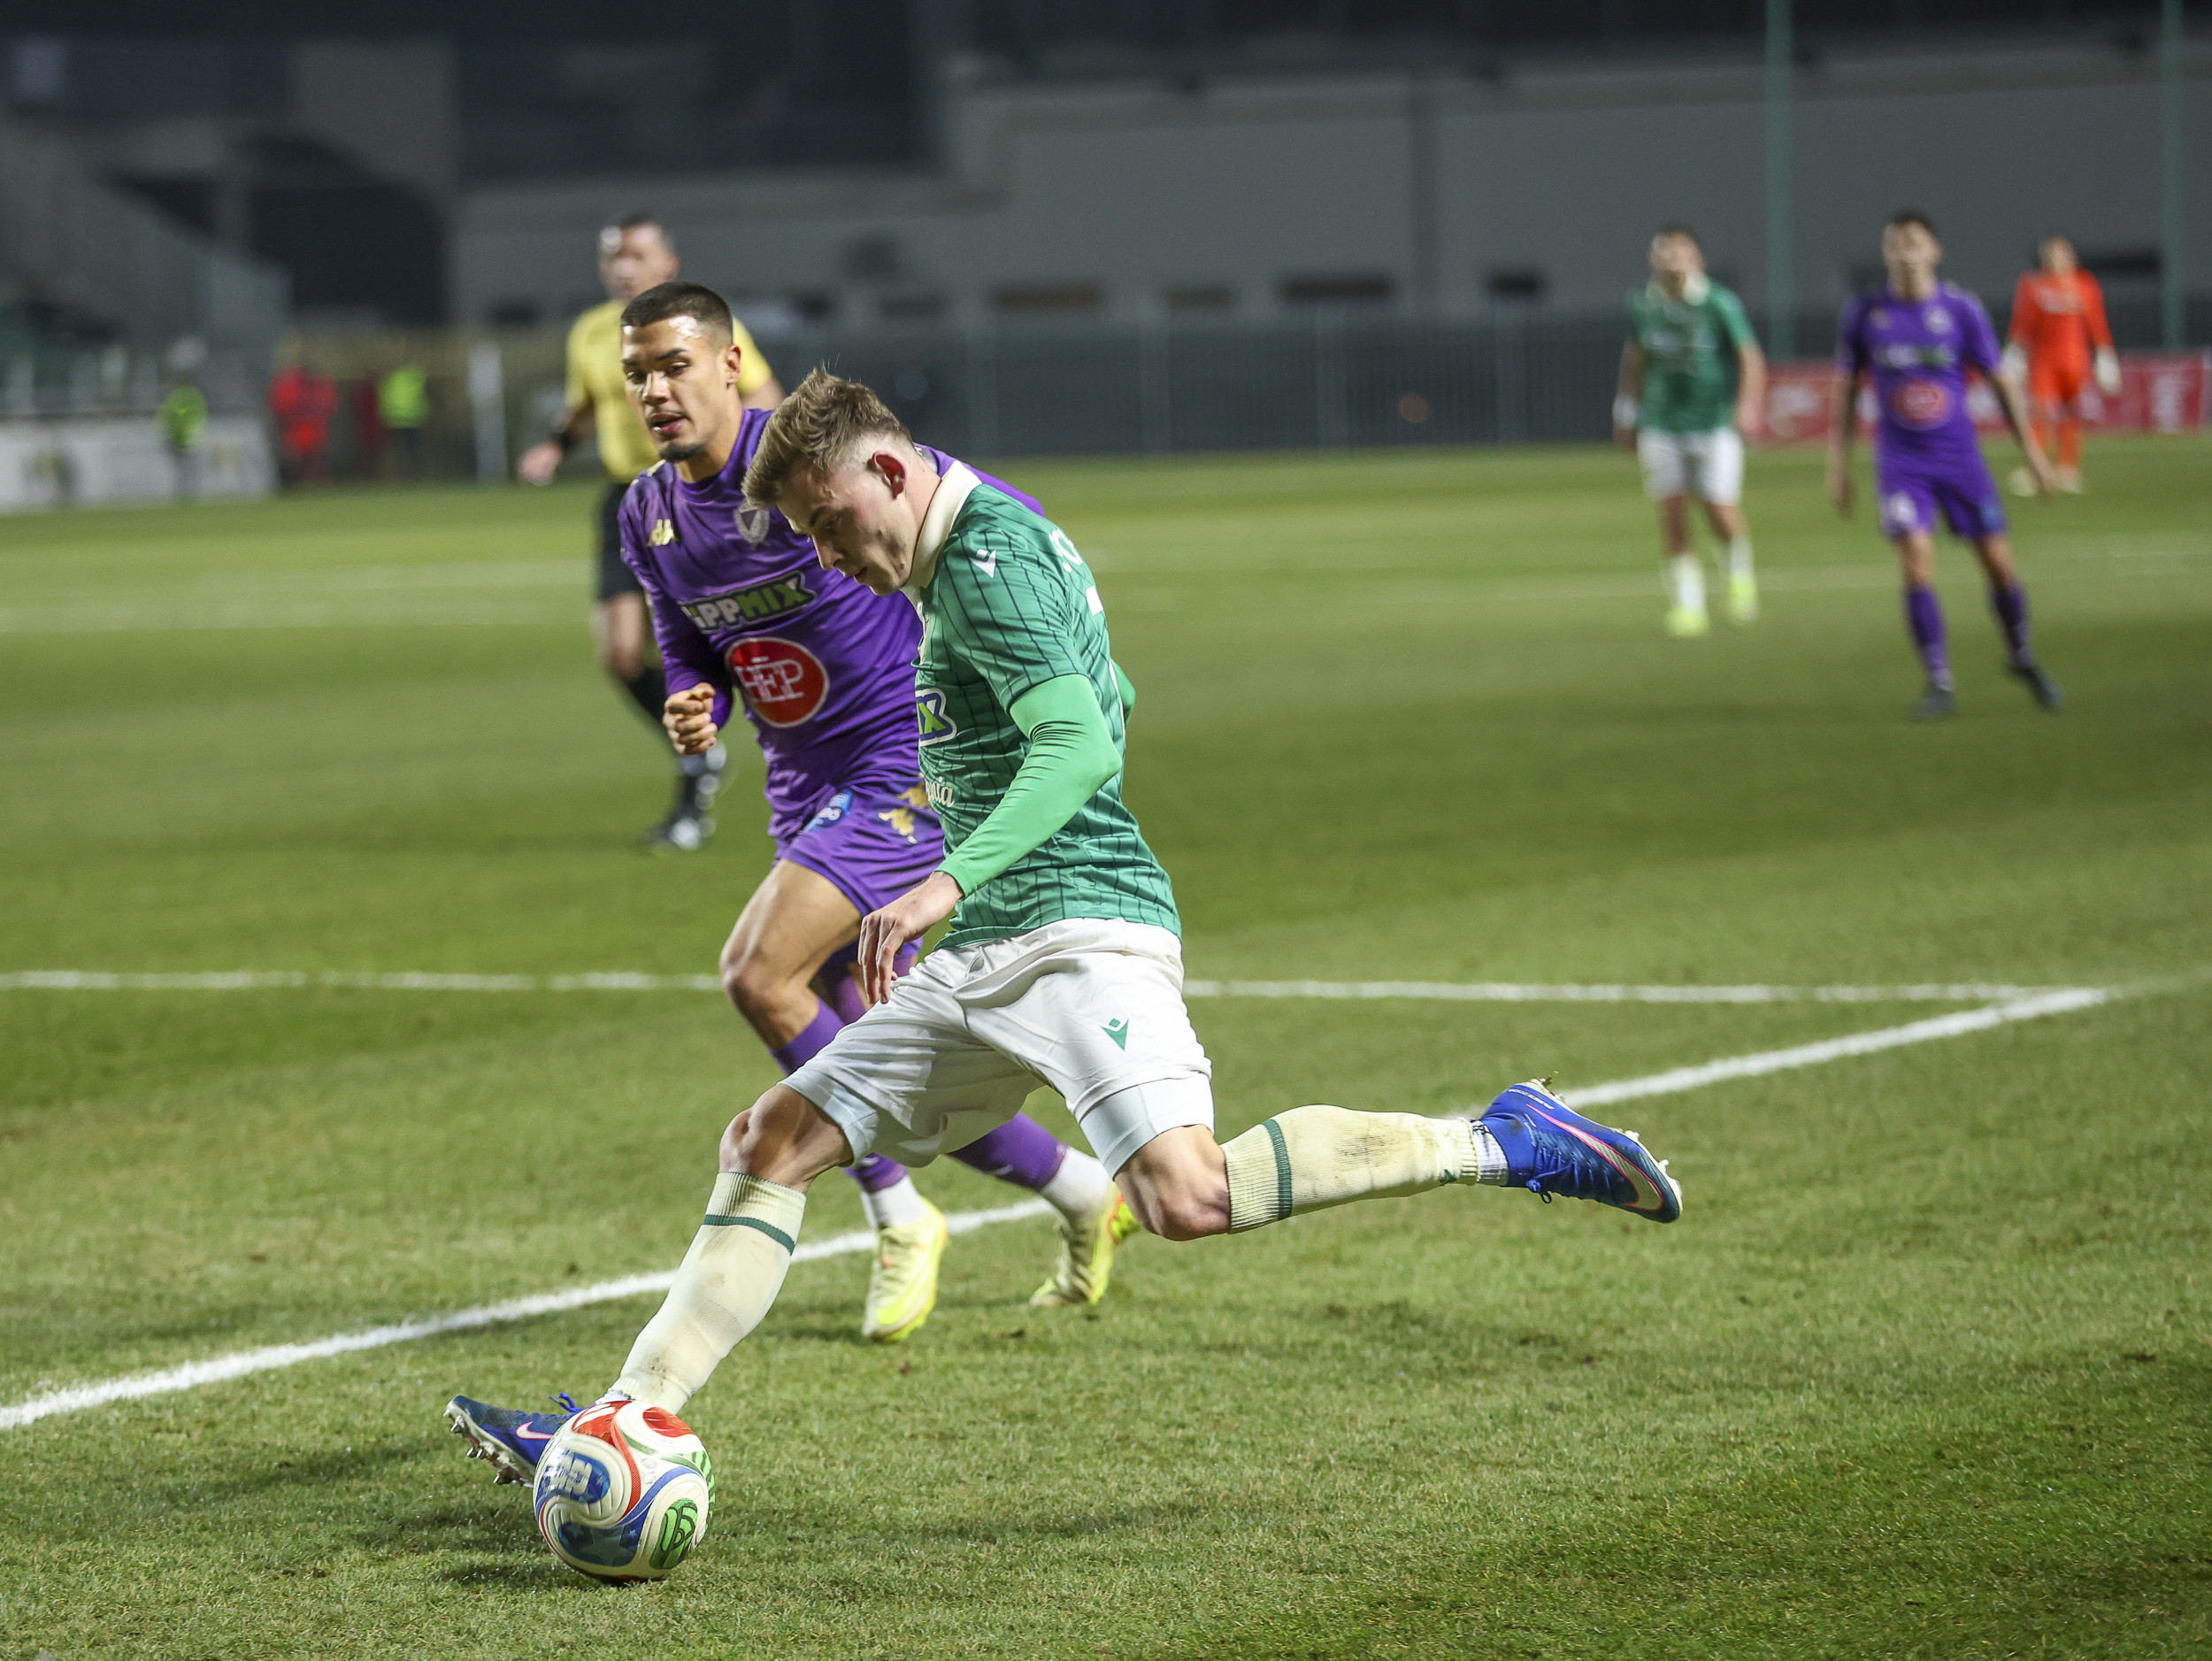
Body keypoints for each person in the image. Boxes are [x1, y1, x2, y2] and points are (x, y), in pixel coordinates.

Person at [445, 370, 1681, 1483]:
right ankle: (626, 1418)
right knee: (771, 1139)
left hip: (1078, 929)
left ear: (890, 471)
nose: (827, 553)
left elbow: (1082, 742)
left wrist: (944, 880)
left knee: (1187, 1197)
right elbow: (1113, 693)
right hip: (986, 949)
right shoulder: (969, 554)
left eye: (830, 522)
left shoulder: (986, 560)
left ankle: (1500, 1138)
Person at [612, 281, 1124, 1345]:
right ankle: (1080, 1189)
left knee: (758, 973)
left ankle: (897, 1212)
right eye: (636, 374)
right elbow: (688, 640)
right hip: (804, 785)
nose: (654, 390)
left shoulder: (805, 463)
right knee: (876, 1045)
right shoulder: (646, 513)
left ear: (728, 362)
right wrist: (691, 698)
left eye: (672, 365)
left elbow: (948, 497)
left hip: (906, 762)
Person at [517, 216, 785, 852]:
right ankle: (700, 757)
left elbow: (766, 397)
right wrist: (555, 446)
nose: (622, 266)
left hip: (705, 494)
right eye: (612, 255)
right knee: (620, 653)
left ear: (668, 263)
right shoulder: (591, 332)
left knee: (743, 640)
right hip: (628, 499)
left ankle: (751, 777)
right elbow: (586, 406)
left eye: (636, 254)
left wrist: (758, 475)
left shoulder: (701, 326)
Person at [1830, 211, 2062, 721]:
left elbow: (2000, 384)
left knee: (1998, 564)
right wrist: (1838, 466)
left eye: (1914, 244)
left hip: (1960, 459)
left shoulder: (1960, 309)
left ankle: (2021, 654)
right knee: (1915, 559)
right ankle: (1938, 680)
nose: (1905, 254)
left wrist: (2034, 455)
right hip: (1901, 463)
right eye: (1895, 245)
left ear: (1935, 251)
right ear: (1886, 253)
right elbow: (1845, 390)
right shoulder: (1865, 312)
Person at [1613, 225, 1767, 636]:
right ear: (1652, 259)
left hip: (1712, 423)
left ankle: (1739, 575)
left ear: (1697, 259)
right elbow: (1635, 359)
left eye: (1680, 252)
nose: (1672, 260)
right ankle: (1688, 603)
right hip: (1660, 423)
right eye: (1663, 252)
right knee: (1672, 512)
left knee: (1719, 508)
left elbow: (1749, 355)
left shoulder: (1718, 302)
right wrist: (1625, 412)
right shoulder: (1642, 303)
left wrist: (1748, 406)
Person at [2004, 235, 2120, 495]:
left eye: (2060, 253)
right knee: (2040, 412)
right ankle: (2036, 469)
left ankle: (2068, 469)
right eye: (2050, 253)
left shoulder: (2085, 284)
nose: (2055, 258)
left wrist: (2105, 354)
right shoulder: (2034, 284)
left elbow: (2096, 322)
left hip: (2076, 360)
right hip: (2044, 361)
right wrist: (2015, 354)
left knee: (2073, 413)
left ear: (2072, 256)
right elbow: (2024, 323)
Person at [267, 352, 335, 488]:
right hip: (296, 428)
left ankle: (314, 482)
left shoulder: (321, 384)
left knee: (315, 457)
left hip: (315, 427)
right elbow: (281, 407)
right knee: (296, 458)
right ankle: (299, 483)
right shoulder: (290, 383)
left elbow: (329, 405)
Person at [157, 376, 207, 502]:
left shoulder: (175, 398)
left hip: (178, 439)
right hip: (189, 440)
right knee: (192, 469)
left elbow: (169, 418)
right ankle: (191, 494)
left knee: (181, 470)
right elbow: (195, 417)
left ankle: (183, 495)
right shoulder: (193, 397)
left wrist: (170, 435)